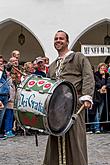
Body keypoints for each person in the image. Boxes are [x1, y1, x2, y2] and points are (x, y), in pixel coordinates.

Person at [43, 30, 95, 165]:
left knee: (75, 140)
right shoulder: (53, 65)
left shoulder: (78, 57)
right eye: (55, 39)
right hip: (56, 109)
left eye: (61, 38)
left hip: (74, 106)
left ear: (67, 41)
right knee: (55, 139)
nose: (58, 41)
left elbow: (88, 76)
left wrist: (87, 96)